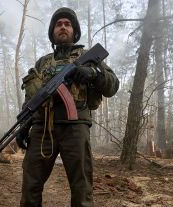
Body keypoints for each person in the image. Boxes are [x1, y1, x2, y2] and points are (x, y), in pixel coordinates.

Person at [17, 7, 119, 207]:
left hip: (76, 127)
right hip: (42, 127)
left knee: (82, 189)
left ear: (74, 30)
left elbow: (112, 86)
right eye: (58, 24)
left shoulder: (89, 56)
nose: (62, 27)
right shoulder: (43, 62)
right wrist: (23, 125)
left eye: (67, 24)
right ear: (52, 32)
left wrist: (93, 74)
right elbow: (33, 97)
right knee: (30, 186)